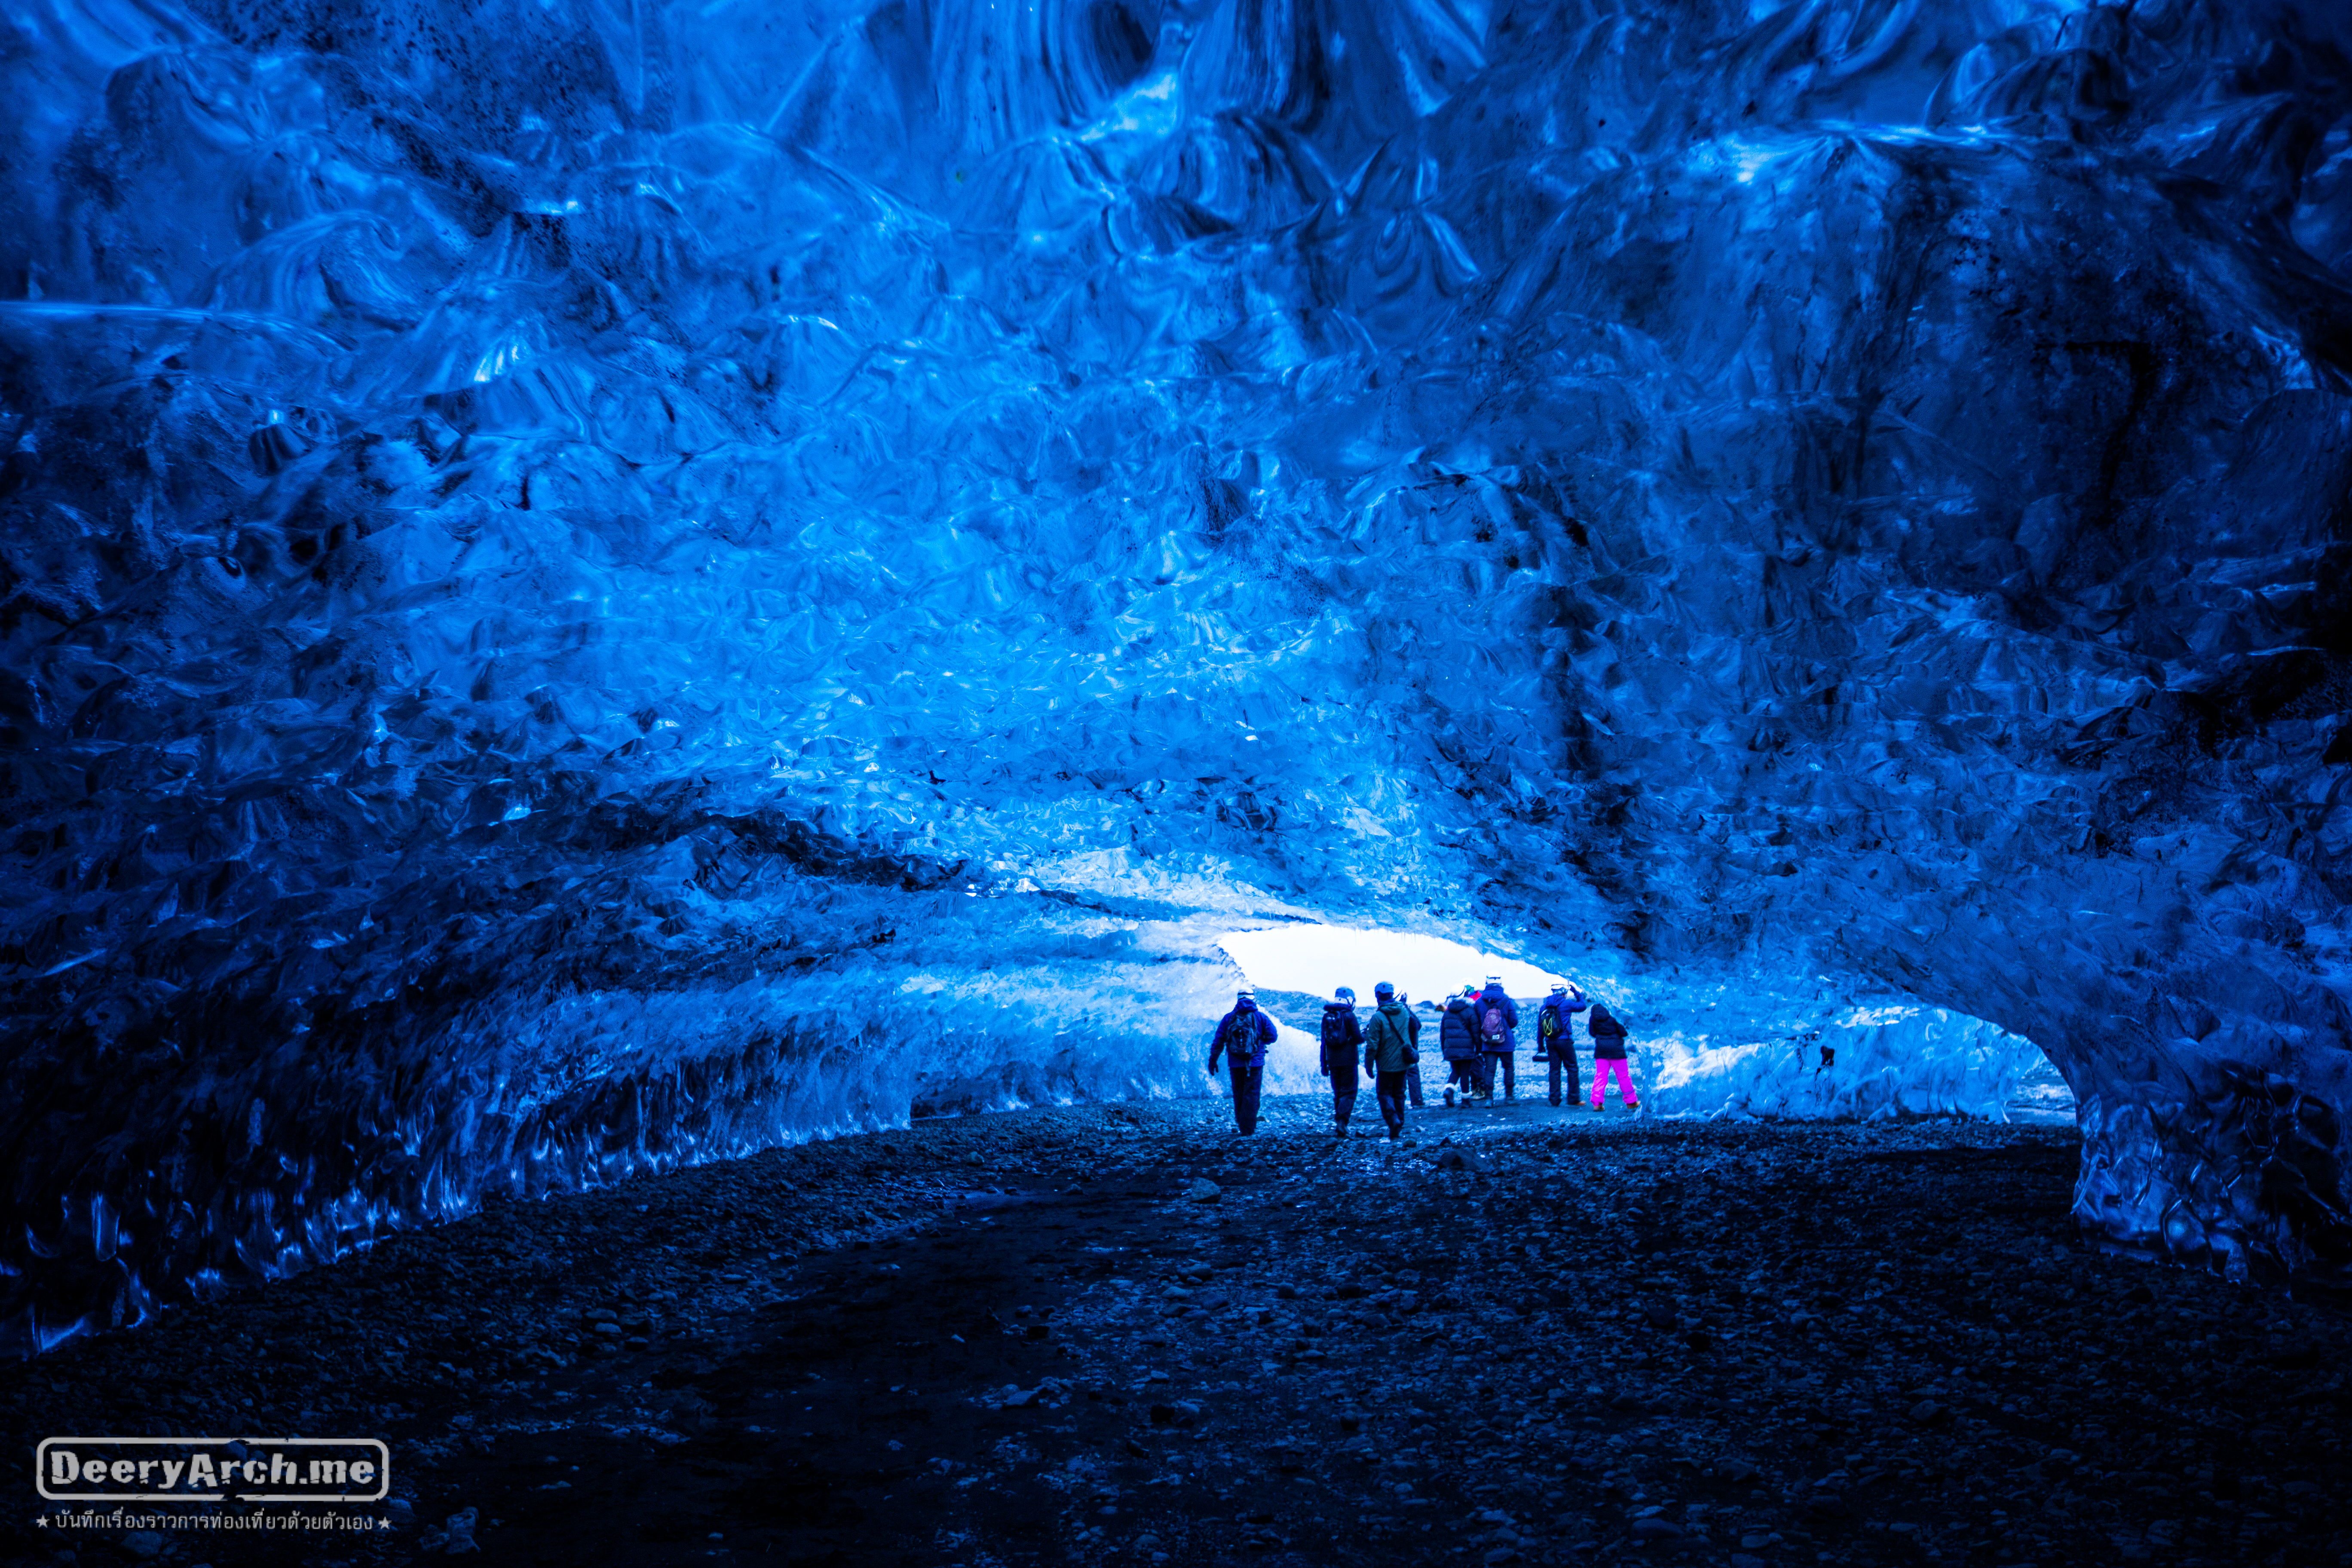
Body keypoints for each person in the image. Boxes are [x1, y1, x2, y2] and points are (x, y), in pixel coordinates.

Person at [1208, 989, 1279, 1134]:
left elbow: (1219, 1041)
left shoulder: (1229, 1018)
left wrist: (1213, 1060)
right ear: (1253, 999)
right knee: (1252, 1093)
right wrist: (1260, 1042)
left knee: (1239, 1092)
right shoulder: (1260, 1017)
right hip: (1255, 1062)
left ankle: (1242, 1123)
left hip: (1235, 1063)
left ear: (1238, 999)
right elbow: (1273, 1036)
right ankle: (1248, 1128)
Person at [1363, 982, 1416, 1139]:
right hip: (1403, 1062)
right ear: (1392, 995)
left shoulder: (1377, 1018)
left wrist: (1368, 1065)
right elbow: (1415, 1029)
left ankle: (1393, 1120)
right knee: (1400, 1093)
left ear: (1377, 996)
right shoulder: (1405, 1013)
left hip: (1385, 1065)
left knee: (1384, 1093)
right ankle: (1400, 1121)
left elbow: (1372, 1045)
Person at [1320, 987, 1366, 1138]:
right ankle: (1342, 1123)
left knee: (1338, 1092)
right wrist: (1364, 1034)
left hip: (1332, 1061)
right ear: (1350, 1000)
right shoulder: (1349, 1016)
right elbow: (1359, 1039)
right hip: (1349, 1060)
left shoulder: (1326, 1016)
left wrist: (1324, 1064)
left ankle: (1339, 1122)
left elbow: (1323, 1043)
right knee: (1350, 1092)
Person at [1536, 981, 1589, 1108]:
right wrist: (1576, 992)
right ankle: (1573, 1099)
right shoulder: (1566, 1004)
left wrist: (1540, 1045)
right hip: (1565, 1040)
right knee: (1572, 1068)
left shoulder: (1544, 1007)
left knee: (1554, 1070)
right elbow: (1582, 1006)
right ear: (1563, 992)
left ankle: (1554, 1100)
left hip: (1550, 1042)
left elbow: (1540, 1027)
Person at [1476, 976, 1520, 1102]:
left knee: (1489, 1070)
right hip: (1506, 1041)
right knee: (1509, 1068)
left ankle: (1489, 1098)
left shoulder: (1479, 1002)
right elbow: (1514, 1021)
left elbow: (1477, 1022)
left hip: (1488, 1042)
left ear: (1486, 983)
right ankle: (1510, 1096)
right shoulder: (1507, 1000)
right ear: (1500, 984)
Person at [1589, 1000, 1638, 1112]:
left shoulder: (1594, 1015)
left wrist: (1602, 1036)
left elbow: (1592, 1033)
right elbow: (1624, 1032)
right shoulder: (1614, 1012)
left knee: (1601, 1076)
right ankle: (1631, 1102)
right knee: (1623, 1076)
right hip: (1617, 1050)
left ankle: (1597, 1103)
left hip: (1601, 1049)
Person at [1439, 986, 1482, 1107]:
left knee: (1455, 1071)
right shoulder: (1470, 1011)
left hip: (1450, 1048)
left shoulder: (1447, 1012)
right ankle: (1465, 1100)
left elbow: (1443, 1033)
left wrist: (1445, 1049)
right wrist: (1479, 1049)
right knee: (1465, 1073)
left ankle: (1449, 1090)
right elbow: (1476, 1032)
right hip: (1466, 1049)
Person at [1398, 992, 1426, 1109]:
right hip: (1411, 1051)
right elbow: (1418, 1025)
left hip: (1397, 1051)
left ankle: (1399, 1102)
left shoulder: (1392, 1014)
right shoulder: (1408, 1014)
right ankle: (1417, 1101)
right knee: (1413, 1074)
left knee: (1399, 1077)